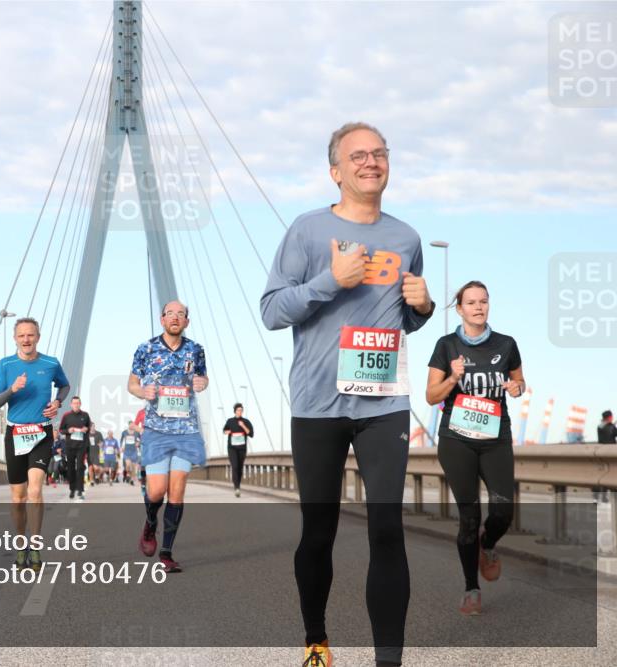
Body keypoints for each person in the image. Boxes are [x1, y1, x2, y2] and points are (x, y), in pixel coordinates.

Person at [260, 122, 434, 667]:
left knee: (387, 528)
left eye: (379, 153)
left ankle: (389, 661)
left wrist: (423, 308)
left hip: (384, 405)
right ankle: (316, 638)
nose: (371, 162)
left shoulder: (406, 239)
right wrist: (330, 280)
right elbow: (270, 311)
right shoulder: (308, 232)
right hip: (318, 407)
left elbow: (404, 319)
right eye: (357, 155)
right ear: (335, 171)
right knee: (320, 533)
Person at [426, 280, 524, 616]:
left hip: (495, 439)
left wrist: (516, 388)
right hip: (457, 441)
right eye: (471, 302)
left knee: (502, 511)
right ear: (460, 308)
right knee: (470, 517)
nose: (478, 307)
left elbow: (520, 381)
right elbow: (431, 396)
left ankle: (489, 545)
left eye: (484, 301)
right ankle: (471, 588)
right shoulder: (446, 346)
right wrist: (452, 379)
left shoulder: (506, 344)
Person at [128, 300, 209, 573]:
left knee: (176, 492)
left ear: (186, 321)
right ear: (162, 319)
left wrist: (202, 383)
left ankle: (167, 553)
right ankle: (150, 524)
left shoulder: (196, 350)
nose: (175, 317)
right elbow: (132, 384)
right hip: (156, 430)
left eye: (181, 314)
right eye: (170, 313)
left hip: (186, 430)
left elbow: (203, 379)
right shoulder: (146, 349)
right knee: (156, 491)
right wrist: (143, 392)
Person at [0, 317, 69, 571]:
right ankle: (21, 543)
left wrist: (57, 403)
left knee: (35, 490)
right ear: (15, 338)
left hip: (41, 434)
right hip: (15, 434)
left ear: (38, 336)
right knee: (18, 497)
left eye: (31, 335)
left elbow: (65, 385)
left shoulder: (51, 363)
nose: (26, 339)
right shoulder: (6, 365)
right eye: (22, 335)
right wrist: (12, 389)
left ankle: (35, 545)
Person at [60, 396, 92, 501]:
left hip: (81, 446)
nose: (76, 405)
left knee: (80, 467)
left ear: (80, 404)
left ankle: (80, 489)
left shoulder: (85, 415)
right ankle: (72, 489)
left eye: (78, 403)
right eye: (74, 403)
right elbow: (61, 430)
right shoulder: (66, 416)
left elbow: (89, 428)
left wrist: (86, 429)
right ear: (71, 404)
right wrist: (68, 431)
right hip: (69, 446)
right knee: (71, 468)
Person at [223, 402, 255, 497]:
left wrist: (243, 426)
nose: (240, 412)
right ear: (235, 411)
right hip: (232, 448)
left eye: (241, 410)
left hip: (242, 448)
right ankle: (236, 488)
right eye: (238, 410)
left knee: (240, 468)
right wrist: (228, 431)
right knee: (235, 466)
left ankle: (238, 486)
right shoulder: (230, 421)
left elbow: (251, 434)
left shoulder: (246, 421)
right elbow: (224, 430)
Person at [595, 410, 616, 503]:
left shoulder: (599, 426)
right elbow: (614, 434)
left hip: (600, 452)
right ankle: (606, 497)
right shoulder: (611, 426)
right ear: (610, 417)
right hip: (610, 453)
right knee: (610, 474)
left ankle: (596, 497)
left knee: (600, 475)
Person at [120, 420, 140, 485]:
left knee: (134, 467)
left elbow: (141, 439)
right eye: (130, 424)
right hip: (126, 451)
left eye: (132, 425)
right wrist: (121, 447)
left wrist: (138, 443)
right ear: (128, 425)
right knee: (128, 465)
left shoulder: (137, 432)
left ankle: (131, 479)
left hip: (134, 451)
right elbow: (121, 440)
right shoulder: (124, 432)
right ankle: (128, 474)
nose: (131, 426)